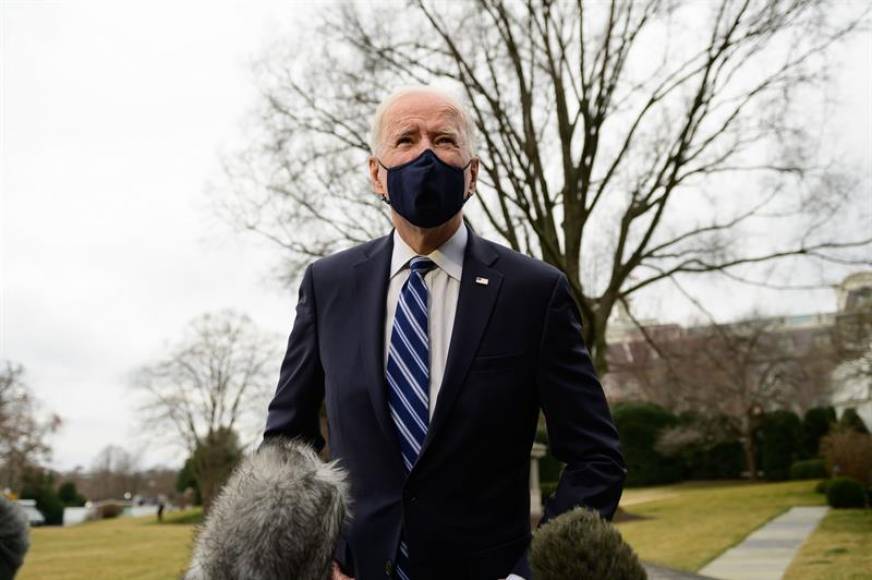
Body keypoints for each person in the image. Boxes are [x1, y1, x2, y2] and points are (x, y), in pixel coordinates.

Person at [262, 86, 627, 580]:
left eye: (444, 140)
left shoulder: (534, 293)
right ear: (376, 173)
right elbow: (286, 447)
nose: (426, 155)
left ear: (471, 172)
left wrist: (531, 574)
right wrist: (317, 560)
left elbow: (596, 458)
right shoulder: (328, 286)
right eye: (406, 140)